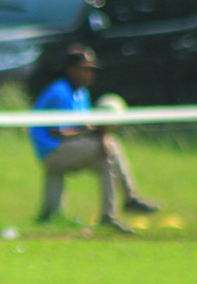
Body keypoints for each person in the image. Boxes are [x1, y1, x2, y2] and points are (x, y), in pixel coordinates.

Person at [28, 45, 158, 232]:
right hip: (52, 150)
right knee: (111, 145)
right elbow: (57, 132)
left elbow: (85, 127)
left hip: (67, 148)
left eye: (92, 69)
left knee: (107, 162)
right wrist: (96, 133)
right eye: (86, 68)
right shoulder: (60, 92)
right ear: (71, 69)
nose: (90, 73)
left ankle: (108, 216)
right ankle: (130, 198)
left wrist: (99, 133)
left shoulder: (81, 93)